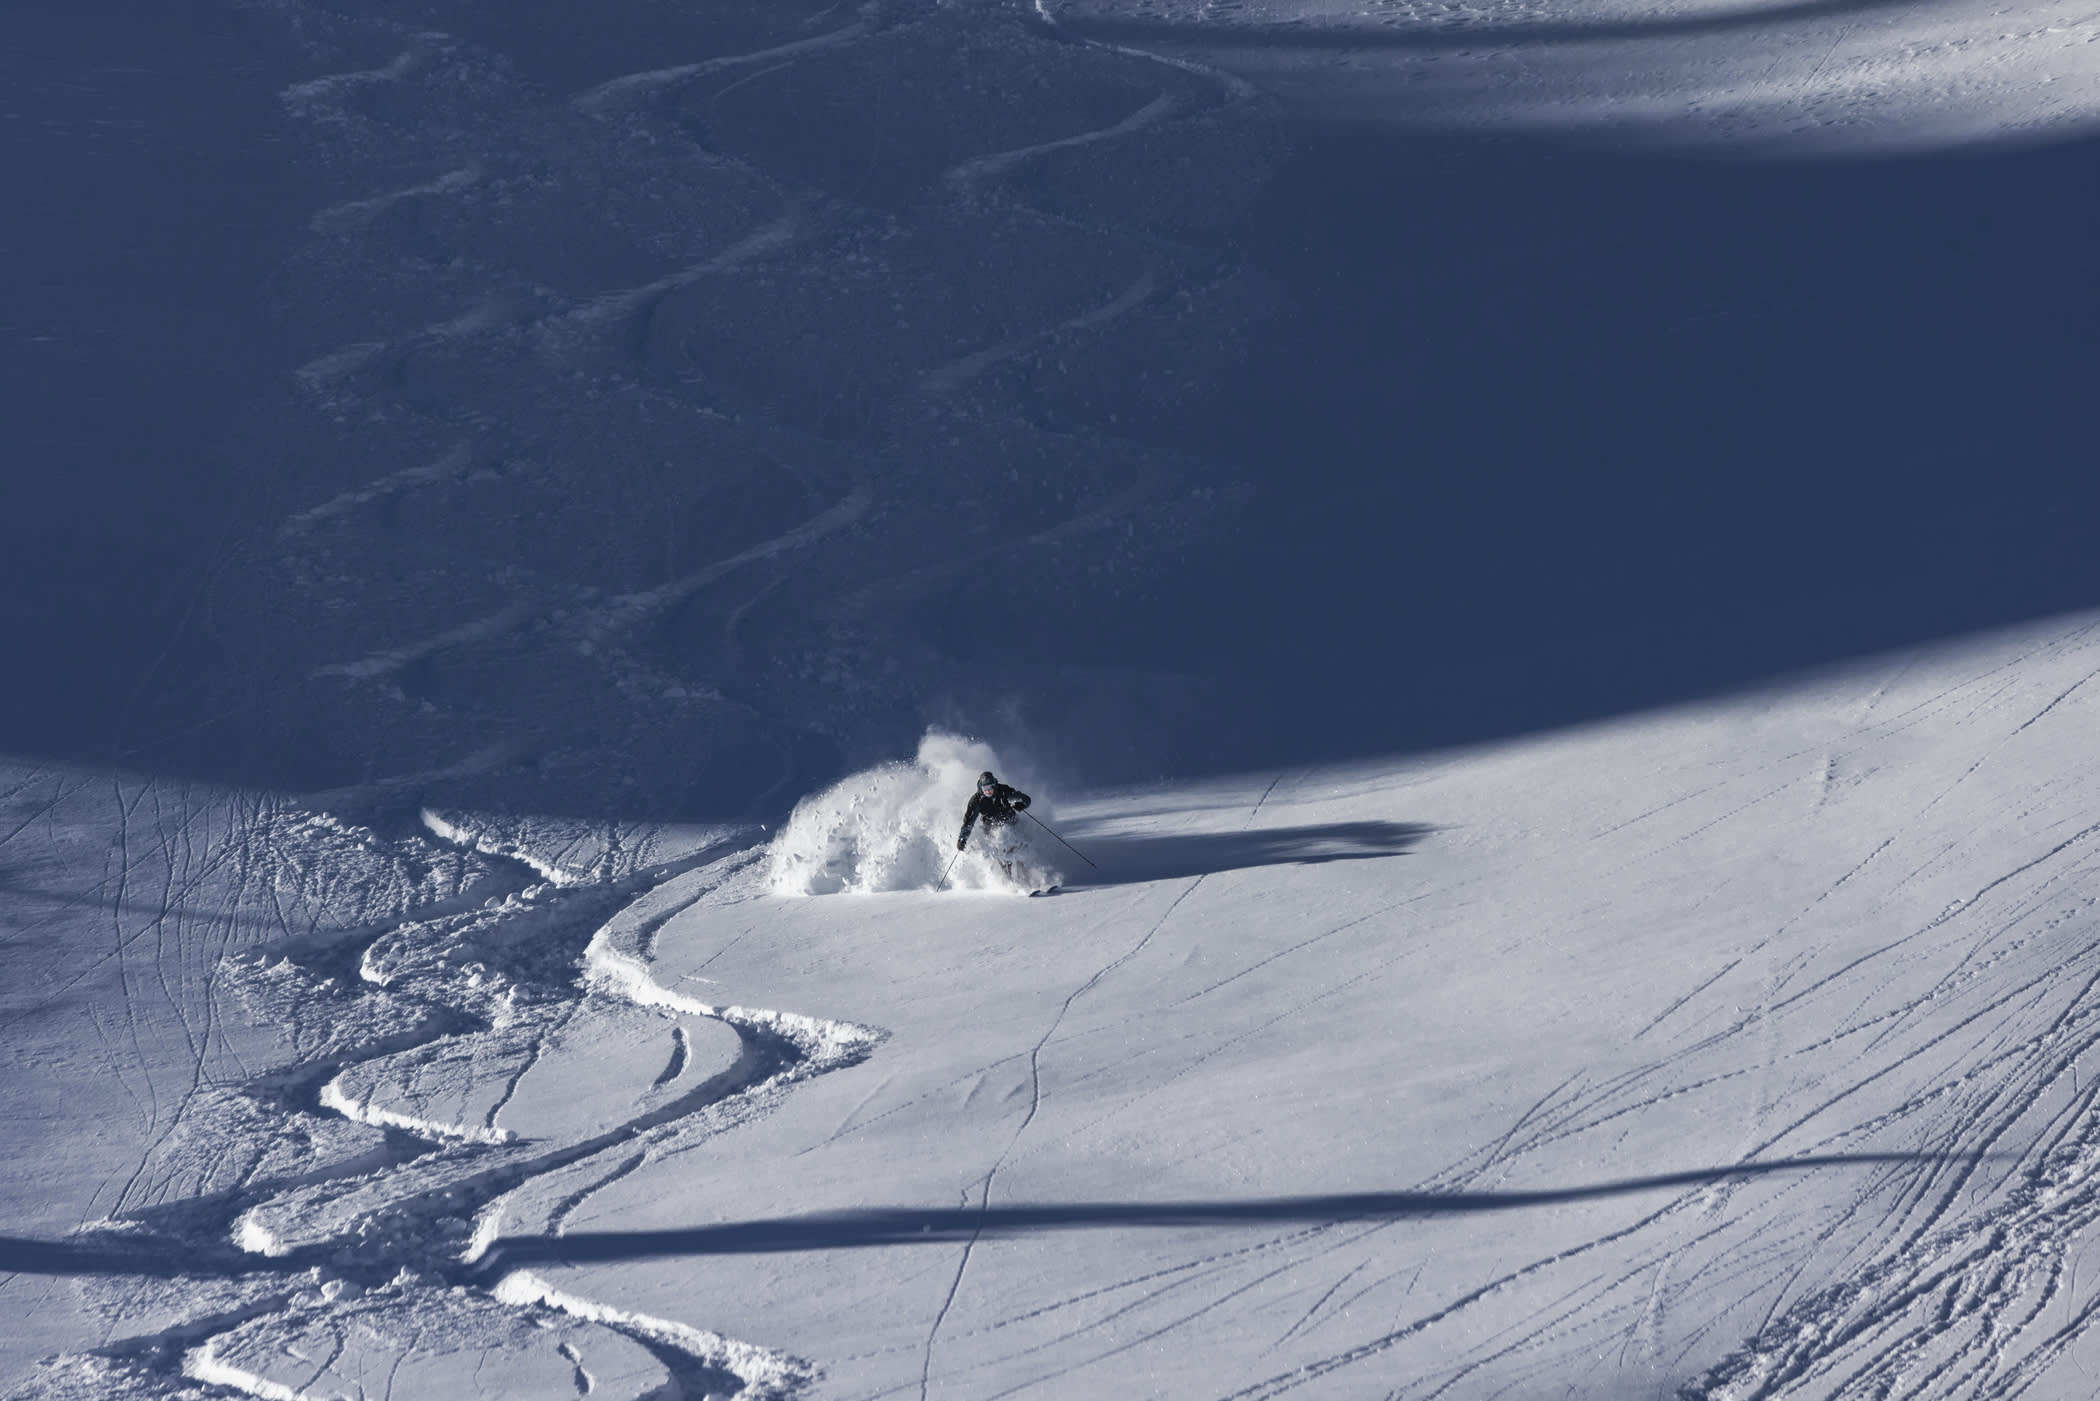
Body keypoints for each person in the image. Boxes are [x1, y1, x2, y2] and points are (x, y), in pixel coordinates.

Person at [957, 771, 1031, 869]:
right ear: (981, 787)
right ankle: (1008, 879)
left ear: (994, 785)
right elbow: (969, 821)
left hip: (1010, 822)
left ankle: (1024, 875)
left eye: (990, 787)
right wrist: (963, 838)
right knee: (1003, 854)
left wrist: (1022, 805)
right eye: (985, 788)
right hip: (991, 828)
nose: (988, 791)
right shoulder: (976, 801)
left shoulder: (1003, 791)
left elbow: (1025, 799)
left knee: (1017, 849)